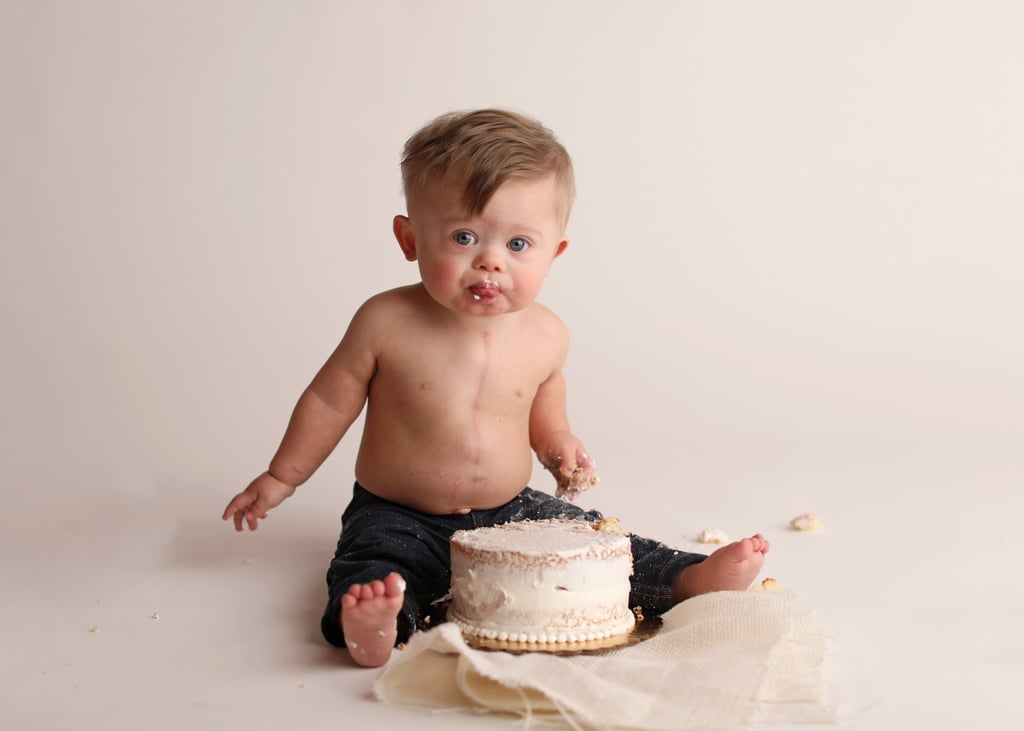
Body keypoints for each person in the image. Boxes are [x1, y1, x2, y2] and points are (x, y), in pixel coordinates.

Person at [222, 109, 770, 667]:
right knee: (376, 566)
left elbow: (544, 409)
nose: (489, 261)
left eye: (518, 245)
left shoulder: (547, 334)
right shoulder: (385, 322)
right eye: (464, 237)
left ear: (554, 252)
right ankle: (375, 622)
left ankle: (684, 577)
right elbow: (329, 400)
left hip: (509, 509)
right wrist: (281, 476)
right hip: (398, 512)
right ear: (410, 239)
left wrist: (559, 447)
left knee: (593, 544)